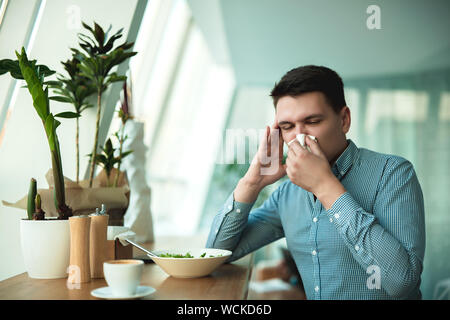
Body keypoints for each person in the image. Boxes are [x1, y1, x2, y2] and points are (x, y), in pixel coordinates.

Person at [206, 65, 426, 300]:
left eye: (312, 121)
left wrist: (325, 186)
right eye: (287, 127)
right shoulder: (287, 195)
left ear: (344, 120)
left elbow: (402, 283)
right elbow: (217, 254)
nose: (299, 137)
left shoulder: (392, 174)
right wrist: (251, 183)